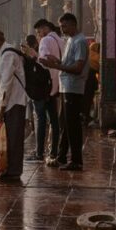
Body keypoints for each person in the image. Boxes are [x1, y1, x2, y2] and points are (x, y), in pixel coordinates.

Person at [41, 12, 90, 171]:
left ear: (73, 24)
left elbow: (78, 67)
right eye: (61, 26)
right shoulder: (69, 41)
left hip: (73, 88)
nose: (62, 29)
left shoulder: (80, 41)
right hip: (65, 86)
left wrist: (57, 66)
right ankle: (61, 156)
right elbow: (68, 63)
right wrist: (57, 62)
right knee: (65, 123)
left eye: (64, 26)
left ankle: (76, 160)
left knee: (73, 125)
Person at [0, 29, 28, 183]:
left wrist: (1, 109)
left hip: (14, 101)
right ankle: (8, 168)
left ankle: (14, 171)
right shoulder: (2, 55)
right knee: (9, 138)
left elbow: (6, 84)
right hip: (9, 102)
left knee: (15, 138)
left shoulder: (8, 54)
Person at [33, 19, 64, 163]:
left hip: (45, 85)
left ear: (45, 28)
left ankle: (39, 153)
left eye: (39, 31)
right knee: (54, 121)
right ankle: (54, 151)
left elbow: (43, 60)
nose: (39, 35)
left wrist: (33, 55)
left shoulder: (45, 40)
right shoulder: (60, 40)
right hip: (57, 85)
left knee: (41, 119)